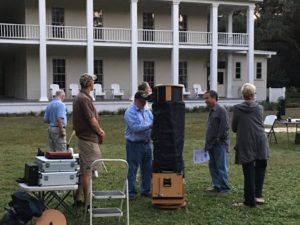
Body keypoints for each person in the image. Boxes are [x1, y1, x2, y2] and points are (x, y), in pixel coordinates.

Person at [232, 83, 269, 207]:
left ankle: (249, 201)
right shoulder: (259, 108)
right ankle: (258, 196)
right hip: (260, 141)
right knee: (260, 168)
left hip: (246, 142)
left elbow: (234, 127)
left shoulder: (237, 108)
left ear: (243, 94)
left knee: (248, 172)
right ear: (254, 94)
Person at [73, 73, 105, 206]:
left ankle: (78, 199)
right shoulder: (84, 99)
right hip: (88, 140)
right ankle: (88, 203)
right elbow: (92, 120)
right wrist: (100, 132)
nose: (94, 84)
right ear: (90, 84)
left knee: (84, 170)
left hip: (84, 138)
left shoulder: (80, 97)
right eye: (93, 81)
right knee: (88, 171)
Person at [124, 91, 153, 200]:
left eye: (145, 101)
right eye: (141, 101)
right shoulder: (130, 112)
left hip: (147, 143)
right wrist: (150, 126)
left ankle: (146, 190)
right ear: (136, 100)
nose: (143, 103)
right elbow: (135, 128)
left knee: (147, 168)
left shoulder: (147, 110)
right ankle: (131, 192)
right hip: (134, 144)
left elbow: (152, 120)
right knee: (132, 169)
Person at [204, 90, 230, 194]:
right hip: (211, 144)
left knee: (221, 166)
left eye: (207, 98)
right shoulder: (211, 111)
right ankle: (217, 185)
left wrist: (218, 139)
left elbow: (224, 127)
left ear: (214, 98)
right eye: (205, 98)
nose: (205, 101)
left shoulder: (221, 110)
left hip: (219, 144)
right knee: (213, 166)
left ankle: (224, 188)